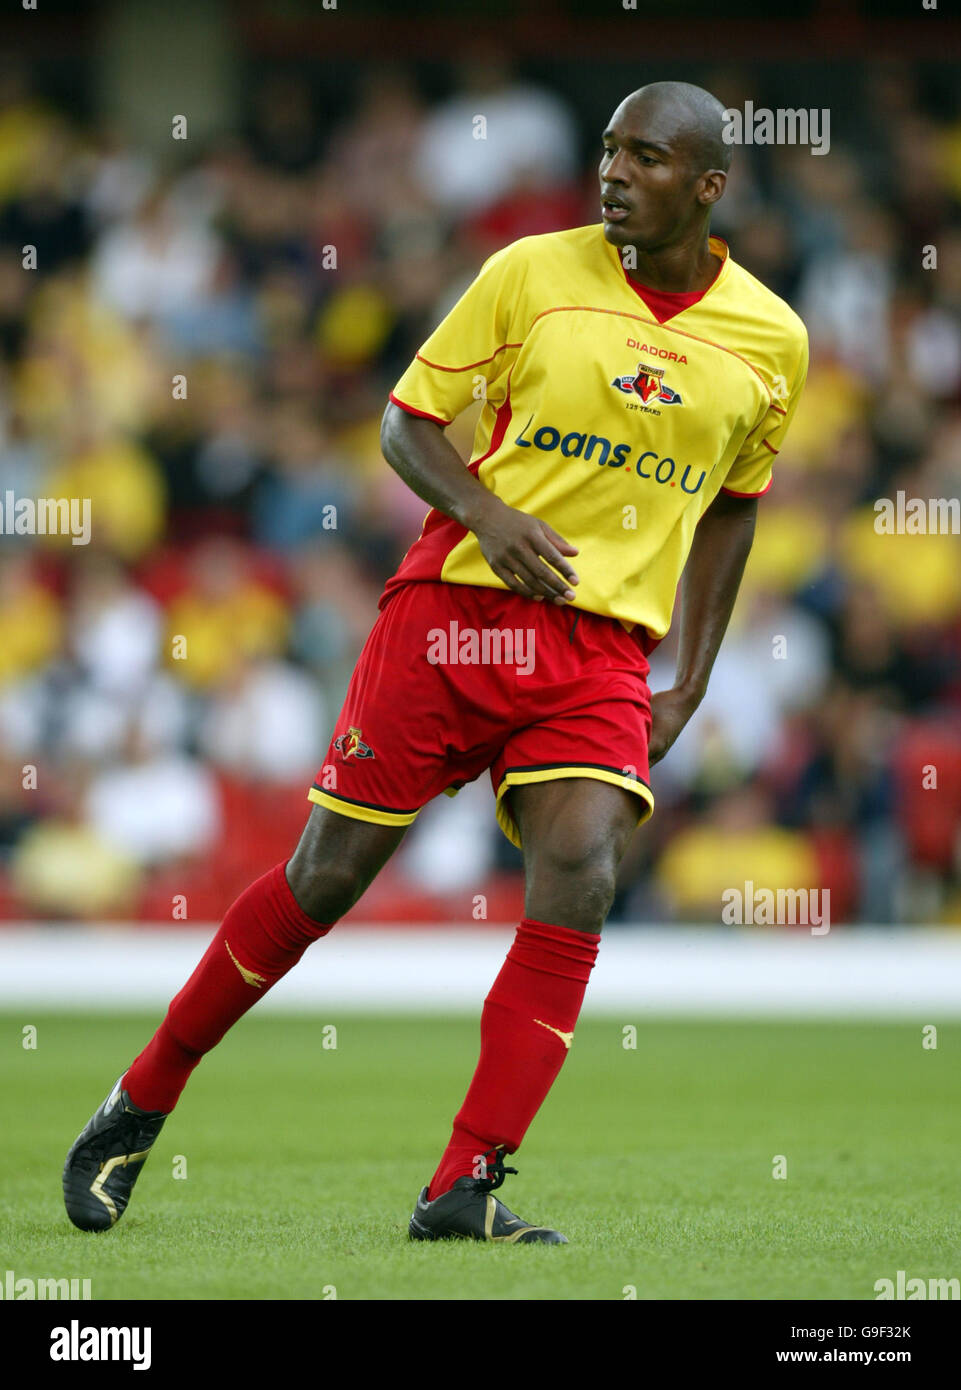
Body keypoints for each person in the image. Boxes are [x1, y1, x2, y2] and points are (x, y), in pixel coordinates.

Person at [63, 81, 808, 1245]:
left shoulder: (773, 339)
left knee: (581, 873)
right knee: (326, 877)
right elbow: (407, 424)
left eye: (646, 157)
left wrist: (693, 678)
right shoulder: (529, 274)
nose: (613, 172)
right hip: (458, 612)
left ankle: (464, 1186)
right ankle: (140, 1097)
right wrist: (488, 514)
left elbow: (733, 510)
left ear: (708, 187)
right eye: (607, 150)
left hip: (600, 645)